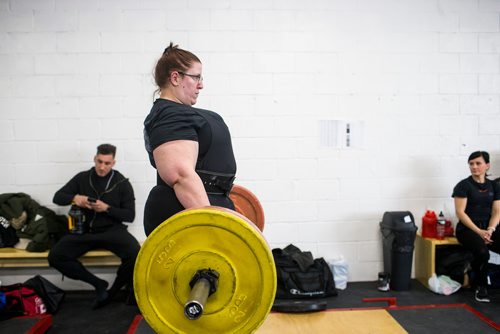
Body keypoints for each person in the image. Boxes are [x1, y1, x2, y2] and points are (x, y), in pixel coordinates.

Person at [143, 42, 237, 236]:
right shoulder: (169, 115)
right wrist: (213, 228)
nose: (201, 84)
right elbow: (181, 176)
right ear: (175, 78)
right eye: (196, 77)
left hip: (207, 207)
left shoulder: (181, 113)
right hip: (186, 214)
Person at [48, 144, 141, 309]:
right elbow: (58, 197)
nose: (102, 167)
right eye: (99, 161)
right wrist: (75, 197)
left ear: (113, 163)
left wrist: (107, 208)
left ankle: (113, 291)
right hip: (84, 231)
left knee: (136, 254)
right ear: (94, 159)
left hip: (112, 230)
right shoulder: (82, 178)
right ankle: (98, 284)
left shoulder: (122, 183)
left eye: (107, 163)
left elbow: (130, 216)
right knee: (55, 256)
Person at [452, 150, 500, 303]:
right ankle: (481, 286)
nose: (474, 167)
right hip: (467, 229)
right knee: (482, 253)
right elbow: (460, 213)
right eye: (471, 164)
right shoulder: (463, 186)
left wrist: (491, 230)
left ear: (487, 165)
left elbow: (497, 211)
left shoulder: (494, 186)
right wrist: (479, 232)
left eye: (478, 163)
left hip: (488, 228)